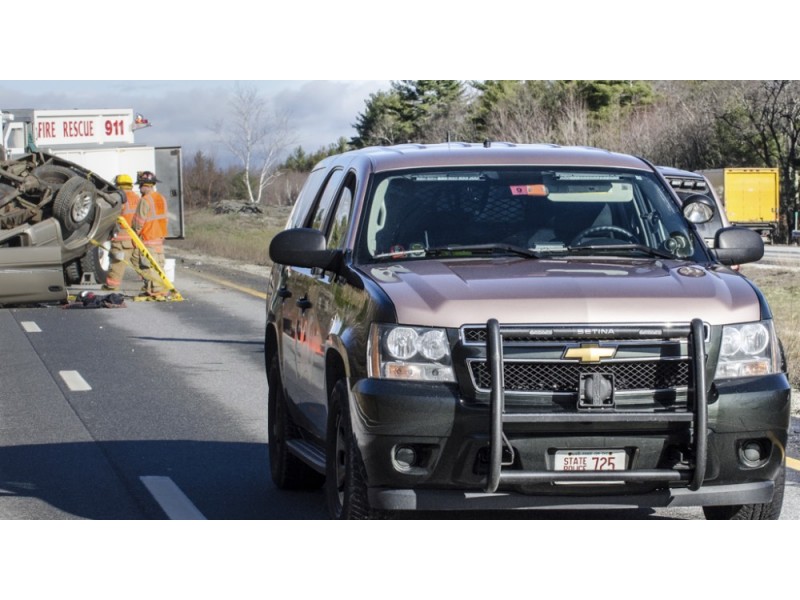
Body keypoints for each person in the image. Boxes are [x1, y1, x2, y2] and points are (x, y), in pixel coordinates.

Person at [131, 170, 170, 297]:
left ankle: (157, 289)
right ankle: (154, 288)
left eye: (140, 185)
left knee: (147, 264)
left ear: (144, 185)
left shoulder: (145, 200)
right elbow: (165, 218)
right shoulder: (161, 198)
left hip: (148, 236)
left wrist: (134, 235)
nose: (139, 188)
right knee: (158, 264)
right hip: (159, 237)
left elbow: (139, 222)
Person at [103, 174, 144, 291]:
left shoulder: (118, 198)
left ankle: (111, 286)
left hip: (122, 239)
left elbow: (112, 216)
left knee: (117, 264)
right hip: (136, 238)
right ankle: (151, 285)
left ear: (118, 185)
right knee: (141, 264)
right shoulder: (138, 198)